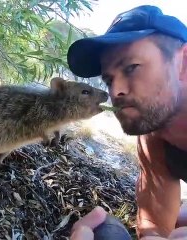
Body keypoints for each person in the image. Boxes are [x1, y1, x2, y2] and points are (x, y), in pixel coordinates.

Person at [66, 4, 187, 240]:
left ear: (183, 61)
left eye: (131, 68)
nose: (116, 91)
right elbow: (155, 227)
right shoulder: (153, 135)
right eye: (109, 79)